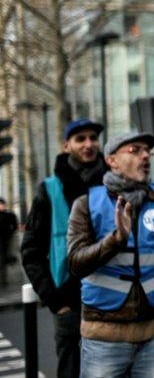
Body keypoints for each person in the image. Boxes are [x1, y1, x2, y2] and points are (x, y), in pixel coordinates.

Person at [67, 131, 154, 378]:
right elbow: (75, 263)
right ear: (112, 160)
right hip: (104, 338)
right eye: (134, 150)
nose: (145, 155)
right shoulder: (86, 203)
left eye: (148, 151)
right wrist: (115, 241)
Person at [22, 118, 106, 378]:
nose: (89, 144)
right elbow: (31, 251)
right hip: (69, 303)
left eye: (93, 137)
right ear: (66, 145)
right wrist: (56, 302)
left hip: (111, 300)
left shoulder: (112, 184)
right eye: (80, 139)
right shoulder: (49, 189)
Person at [0, 198, 17, 285]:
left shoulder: (9, 215)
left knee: (3, 260)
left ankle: (3, 280)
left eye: (2, 204)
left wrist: (10, 233)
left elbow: (14, 225)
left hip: (5, 240)